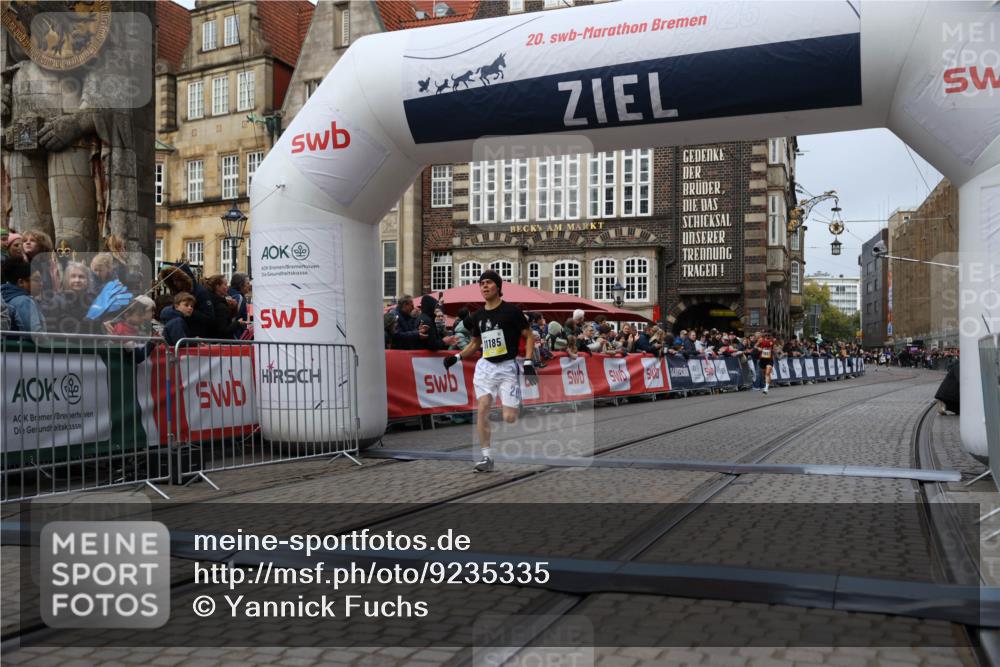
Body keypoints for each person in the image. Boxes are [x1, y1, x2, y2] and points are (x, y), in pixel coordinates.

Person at [443, 270, 537, 472]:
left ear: (498, 287)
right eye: (481, 283)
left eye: (489, 282)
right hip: (485, 367)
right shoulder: (478, 315)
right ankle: (486, 457)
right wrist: (457, 357)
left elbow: (529, 336)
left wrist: (529, 361)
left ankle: (515, 401)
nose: (484, 286)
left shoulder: (512, 311)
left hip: (507, 368)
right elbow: (475, 343)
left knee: (509, 417)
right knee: (483, 407)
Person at [1, 256, 46, 332]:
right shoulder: (24, 302)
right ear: (21, 282)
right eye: (36, 280)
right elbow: (35, 334)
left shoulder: (3, 296)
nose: (41, 284)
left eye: (41, 280)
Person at [755, 330, 776, 395]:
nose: (767, 336)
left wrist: (772, 350)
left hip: (769, 359)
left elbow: (774, 349)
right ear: (764, 335)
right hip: (762, 359)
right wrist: (758, 348)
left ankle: (766, 388)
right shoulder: (761, 340)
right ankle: (766, 383)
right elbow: (755, 346)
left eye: (768, 335)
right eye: (766, 335)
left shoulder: (772, 341)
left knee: (767, 373)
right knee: (765, 373)